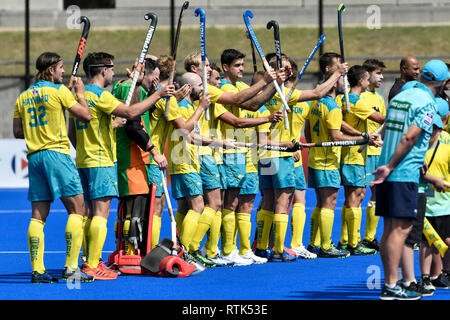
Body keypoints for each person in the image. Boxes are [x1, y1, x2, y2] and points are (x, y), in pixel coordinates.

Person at [69, 52, 174, 280]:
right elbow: (131, 112)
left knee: (87, 213)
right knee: (100, 213)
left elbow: (71, 131)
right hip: (102, 160)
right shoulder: (99, 95)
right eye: (112, 68)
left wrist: (90, 145)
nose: (114, 72)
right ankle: (92, 264)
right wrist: (158, 94)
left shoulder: (79, 95)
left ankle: (87, 260)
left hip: (84, 160)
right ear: (103, 70)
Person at [255, 54, 350, 262]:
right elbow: (318, 93)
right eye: (285, 69)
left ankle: (262, 247)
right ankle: (279, 250)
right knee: (282, 200)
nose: (289, 72)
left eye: (290, 68)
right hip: (281, 152)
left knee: (270, 199)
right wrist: (337, 74)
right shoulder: (284, 94)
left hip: (268, 153)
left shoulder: (265, 94)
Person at [371, 59, 448, 300]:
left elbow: (390, 131)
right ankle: (392, 285)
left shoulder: (399, 97)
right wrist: (392, 165)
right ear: (443, 82)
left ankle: (392, 283)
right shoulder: (427, 103)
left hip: (389, 167)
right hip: (402, 172)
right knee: (401, 231)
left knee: (389, 231)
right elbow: (409, 137)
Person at [13, 51, 93, 283]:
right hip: (56, 155)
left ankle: (37, 271)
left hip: (35, 158)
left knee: (38, 216)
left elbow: (18, 132)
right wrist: (78, 94)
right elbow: (85, 116)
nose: (63, 72)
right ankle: (70, 268)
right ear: (50, 70)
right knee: (78, 210)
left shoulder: (23, 96)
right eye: (60, 68)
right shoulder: (59, 91)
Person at [304, 65, 374, 258]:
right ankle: (326, 246)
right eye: (342, 80)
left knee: (320, 203)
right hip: (328, 161)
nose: (346, 83)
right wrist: (361, 139)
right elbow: (336, 136)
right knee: (329, 203)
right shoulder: (333, 107)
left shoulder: (316, 103)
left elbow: (308, 130)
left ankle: (314, 243)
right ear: (335, 83)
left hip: (316, 159)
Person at [112, 57, 168, 256]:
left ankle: (127, 250)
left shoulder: (136, 89)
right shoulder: (130, 88)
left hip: (133, 158)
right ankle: (129, 253)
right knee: (134, 207)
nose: (156, 81)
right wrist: (154, 151)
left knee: (131, 207)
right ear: (148, 74)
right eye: (156, 77)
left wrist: (153, 94)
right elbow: (133, 127)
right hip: (131, 157)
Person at [337, 65, 384, 256]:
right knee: (356, 196)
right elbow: (380, 118)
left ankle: (346, 240)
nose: (368, 82)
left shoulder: (345, 98)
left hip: (354, 153)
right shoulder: (356, 101)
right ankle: (353, 242)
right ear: (360, 81)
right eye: (366, 79)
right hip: (353, 155)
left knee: (354, 197)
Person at [420, 98, 450, 291]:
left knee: (445, 241)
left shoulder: (447, 147)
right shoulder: (417, 148)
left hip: (445, 202)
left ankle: (443, 273)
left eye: (435, 129)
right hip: (425, 201)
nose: (431, 133)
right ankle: (426, 277)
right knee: (427, 242)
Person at [360, 59, 387, 251]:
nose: (382, 77)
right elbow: (379, 119)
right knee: (359, 193)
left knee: (377, 193)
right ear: (367, 75)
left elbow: (382, 126)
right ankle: (351, 238)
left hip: (379, 151)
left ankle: (370, 237)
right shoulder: (361, 97)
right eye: (378, 73)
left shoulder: (378, 97)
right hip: (365, 152)